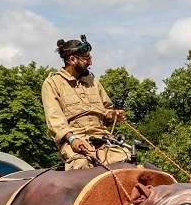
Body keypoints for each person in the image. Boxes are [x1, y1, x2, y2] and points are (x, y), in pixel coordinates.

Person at [41, 35, 130, 170]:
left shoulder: (93, 82)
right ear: (72, 59)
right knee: (81, 166)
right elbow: (55, 121)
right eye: (86, 59)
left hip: (103, 138)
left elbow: (106, 110)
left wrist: (113, 115)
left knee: (125, 159)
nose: (91, 63)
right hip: (75, 141)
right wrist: (72, 139)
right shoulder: (52, 83)